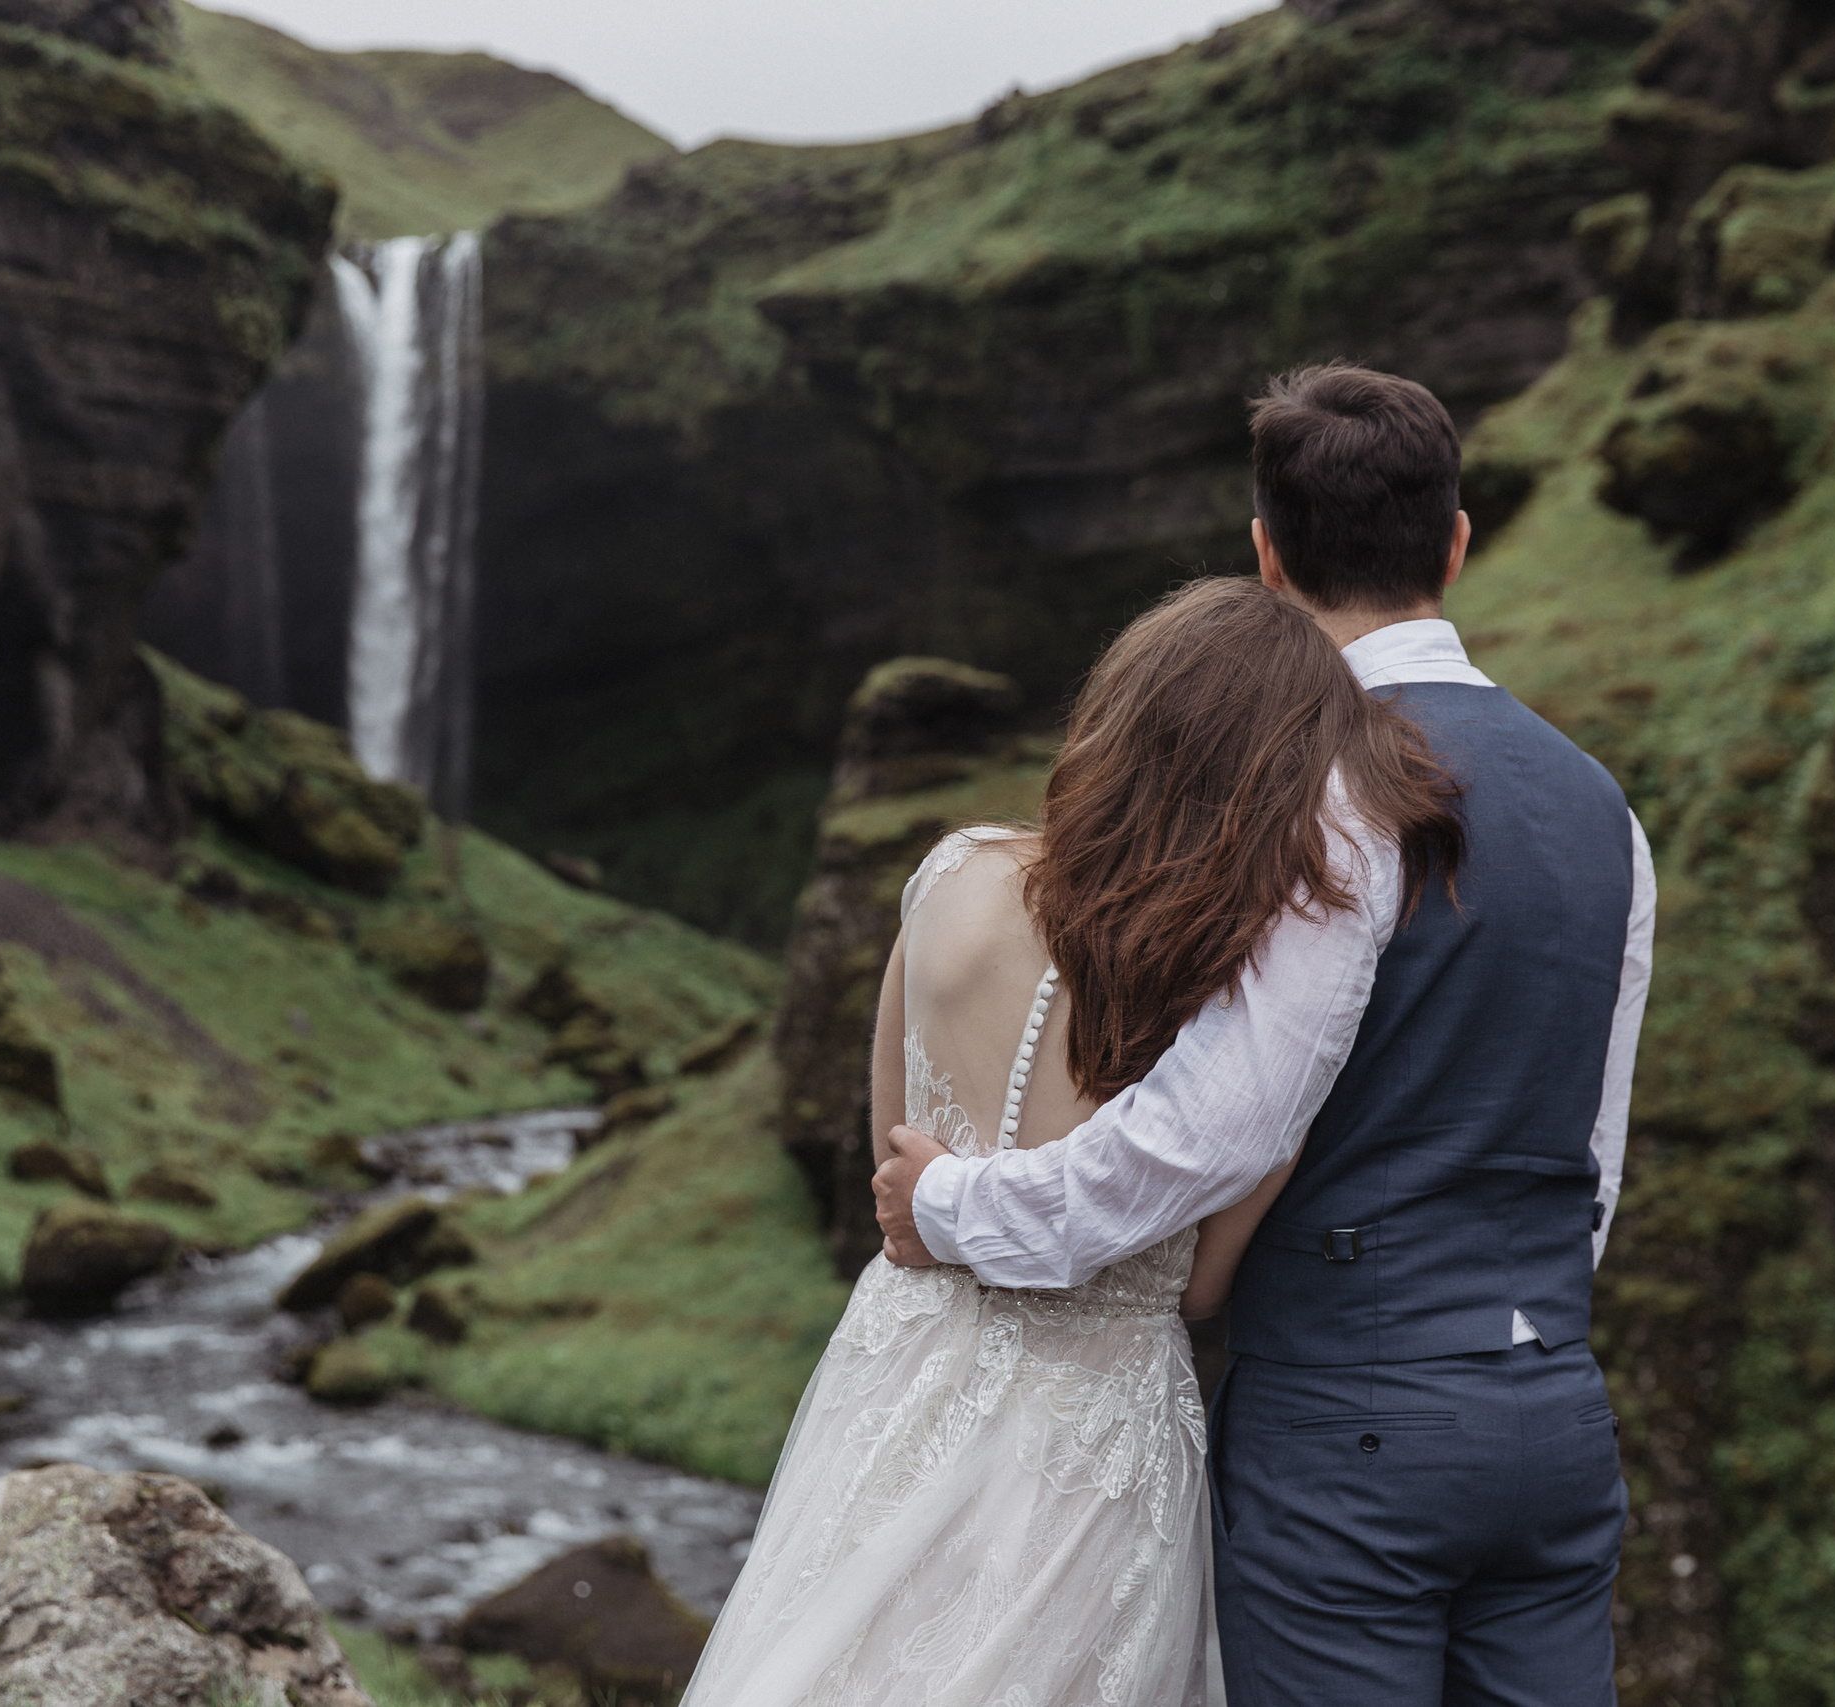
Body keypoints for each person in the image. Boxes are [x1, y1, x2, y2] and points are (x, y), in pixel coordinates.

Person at [875, 362, 1657, 1707]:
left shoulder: (1324, 790)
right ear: (1459, 542)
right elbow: (1593, 1150)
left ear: (1266, 555)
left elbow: (1210, 1127)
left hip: (1349, 1420)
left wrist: (951, 1202)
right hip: (1551, 1409)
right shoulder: (1608, 813)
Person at [681, 574, 1468, 1707]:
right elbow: (1199, 1289)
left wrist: (954, 1212)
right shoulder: (1234, 990)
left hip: (908, 1361)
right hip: (1097, 1430)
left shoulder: (950, 875)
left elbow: (895, 1169)